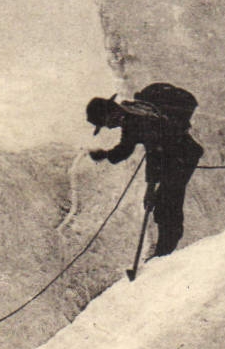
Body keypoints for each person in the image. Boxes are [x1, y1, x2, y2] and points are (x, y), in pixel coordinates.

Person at [86, 83, 204, 257]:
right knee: (164, 203)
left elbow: (153, 153)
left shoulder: (136, 118)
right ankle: (165, 249)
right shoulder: (131, 117)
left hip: (182, 156)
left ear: (109, 114)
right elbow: (125, 149)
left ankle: (165, 252)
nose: (109, 127)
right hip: (176, 157)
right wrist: (106, 155)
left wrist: (150, 189)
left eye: (105, 124)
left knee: (167, 203)